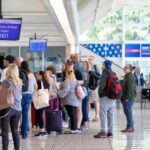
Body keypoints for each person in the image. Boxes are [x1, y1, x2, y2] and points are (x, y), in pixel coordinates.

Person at [0, 64, 22, 150]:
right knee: (15, 131)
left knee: (5, 132)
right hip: (18, 109)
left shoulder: (6, 81)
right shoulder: (19, 81)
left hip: (8, 109)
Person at [94, 60, 116, 138]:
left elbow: (102, 85)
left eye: (103, 64)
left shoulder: (105, 73)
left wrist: (100, 94)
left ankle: (103, 131)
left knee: (103, 114)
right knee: (111, 115)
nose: (102, 65)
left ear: (106, 65)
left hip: (106, 97)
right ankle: (110, 132)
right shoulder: (113, 73)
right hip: (113, 97)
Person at [58, 62, 81, 134]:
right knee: (73, 114)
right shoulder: (75, 80)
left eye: (65, 73)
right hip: (74, 99)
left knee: (72, 115)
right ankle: (73, 128)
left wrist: (58, 93)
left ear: (67, 73)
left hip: (69, 100)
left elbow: (65, 90)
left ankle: (73, 129)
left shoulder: (68, 80)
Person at [21, 61, 37, 139]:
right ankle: (25, 132)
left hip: (21, 95)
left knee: (18, 114)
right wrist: (32, 93)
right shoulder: (31, 75)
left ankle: (20, 131)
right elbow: (36, 86)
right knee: (25, 114)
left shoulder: (20, 74)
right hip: (29, 95)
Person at [34, 71, 51, 137]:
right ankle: (42, 130)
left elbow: (35, 90)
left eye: (37, 75)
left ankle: (42, 131)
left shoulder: (39, 82)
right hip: (44, 101)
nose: (36, 76)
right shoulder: (46, 82)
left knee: (39, 115)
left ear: (41, 75)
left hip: (39, 101)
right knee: (40, 115)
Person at [121, 64, 136, 133]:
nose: (124, 68)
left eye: (126, 67)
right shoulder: (127, 76)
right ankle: (131, 127)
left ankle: (129, 127)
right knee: (128, 112)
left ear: (129, 69)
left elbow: (130, 89)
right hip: (126, 97)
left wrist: (127, 97)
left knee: (128, 112)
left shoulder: (130, 77)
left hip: (128, 98)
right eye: (124, 67)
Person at [88, 55, 100, 122]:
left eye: (91, 59)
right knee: (88, 101)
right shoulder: (86, 67)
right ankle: (88, 116)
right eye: (89, 59)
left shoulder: (95, 67)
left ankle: (96, 115)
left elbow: (99, 76)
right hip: (87, 86)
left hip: (94, 87)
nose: (90, 60)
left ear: (93, 60)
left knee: (95, 101)